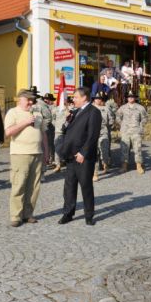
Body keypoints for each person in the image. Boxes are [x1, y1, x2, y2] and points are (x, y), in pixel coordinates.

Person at [4, 89, 49, 227]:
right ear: (20, 99)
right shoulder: (13, 112)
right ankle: (16, 216)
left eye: (32, 100)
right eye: (28, 99)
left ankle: (28, 214)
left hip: (37, 153)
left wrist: (46, 152)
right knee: (19, 185)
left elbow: (43, 134)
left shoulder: (37, 113)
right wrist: (25, 122)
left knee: (34, 186)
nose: (31, 102)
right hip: (20, 154)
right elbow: (8, 132)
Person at [58, 87, 101, 226]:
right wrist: (67, 120)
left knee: (86, 186)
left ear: (84, 98)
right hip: (71, 155)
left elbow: (92, 135)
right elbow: (65, 130)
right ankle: (68, 213)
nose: (73, 99)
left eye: (76, 97)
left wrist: (83, 152)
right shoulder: (75, 112)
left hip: (83, 156)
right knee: (69, 186)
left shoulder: (94, 112)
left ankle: (89, 215)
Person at [116, 90, 147, 174]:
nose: (130, 98)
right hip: (125, 131)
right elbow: (118, 116)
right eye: (129, 97)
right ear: (127, 98)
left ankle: (139, 166)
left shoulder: (140, 108)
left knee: (138, 149)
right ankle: (124, 166)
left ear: (135, 98)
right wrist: (122, 124)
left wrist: (140, 127)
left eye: (132, 97)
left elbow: (144, 118)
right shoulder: (122, 107)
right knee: (124, 149)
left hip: (136, 131)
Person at [91, 91, 113, 181]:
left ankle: (105, 165)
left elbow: (111, 120)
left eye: (99, 99)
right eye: (96, 99)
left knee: (104, 151)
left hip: (103, 132)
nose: (98, 100)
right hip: (92, 133)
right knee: (94, 153)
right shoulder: (90, 109)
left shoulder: (106, 109)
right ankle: (95, 173)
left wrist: (108, 127)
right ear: (94, 100)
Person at [51, 95, 74, 172]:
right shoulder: (56, 109)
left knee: (68, 149)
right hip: (58, 132)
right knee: (57, 148)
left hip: (69, 132)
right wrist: (58, 126)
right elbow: (52, 119)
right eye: (62, 99)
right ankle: (58, 165)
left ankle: (68, 163)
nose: (63, 101)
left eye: (65, 100)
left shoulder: (71, 109)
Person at [43, 94, 57, 164]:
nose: (46, 100)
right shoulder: (44, 107)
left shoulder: (54, 107)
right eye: (45, 98)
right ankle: (47, 158)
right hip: (46, 127)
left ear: (51, 100)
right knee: (46, 143)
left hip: (52, 127)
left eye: (47, 99)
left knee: (51, 144)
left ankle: (53, 158)